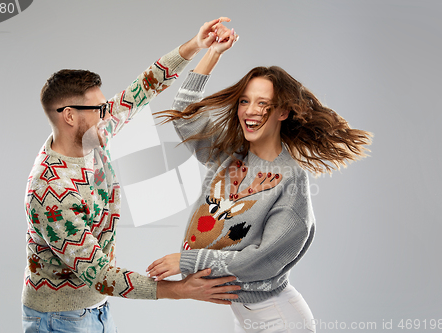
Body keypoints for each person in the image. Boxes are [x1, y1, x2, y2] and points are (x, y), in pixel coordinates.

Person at [22, 18, 242, 333]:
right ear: (69, 116)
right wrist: (179, 291)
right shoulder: (52, 191)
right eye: (99, 109)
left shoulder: (92, 134)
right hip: (60, 319)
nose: (108, 112)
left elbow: (142, 88)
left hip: (95, 308)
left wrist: (198, 45)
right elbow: (97, 273)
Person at [147, 27, 373, 332]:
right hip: (247, 314)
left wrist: (187, 262)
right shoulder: (230, 155)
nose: (250, 111)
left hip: (278, 318)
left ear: (282, 112)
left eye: (262, 103)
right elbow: (186, 114)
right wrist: (213, 52)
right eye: (244, 101)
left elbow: (262, 261)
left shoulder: (290, 180)